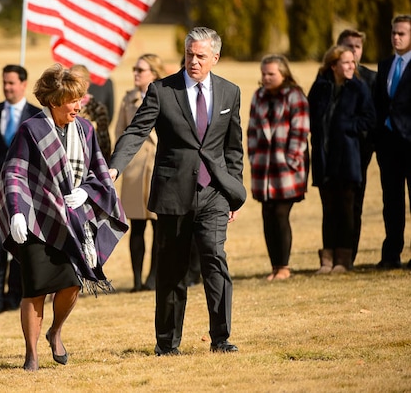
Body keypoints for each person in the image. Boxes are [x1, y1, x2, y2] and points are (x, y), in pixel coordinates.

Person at [109, 27, 246, 355]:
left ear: (215, 58)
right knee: (171, 269)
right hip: (173, 194)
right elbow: (136, 132)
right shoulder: (161, 90)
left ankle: (221, 338)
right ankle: (167, 344)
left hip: (214, 192)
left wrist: (233, 190)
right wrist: (114, 167)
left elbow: (233, 147)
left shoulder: (230, 92)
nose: (194, 62)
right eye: (189, 55)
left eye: (201, 56)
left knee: (215, 257)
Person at [0, 64, 128, 371]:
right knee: (35, 288)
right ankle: (31, 355)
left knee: (71, 283)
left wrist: (86, 191)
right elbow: (14, 172)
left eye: (80, 99)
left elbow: (99, 172)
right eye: (73, 100)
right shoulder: (32, 129)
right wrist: (16, 212)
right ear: (55, 101)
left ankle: (55, 331)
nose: (79, 106)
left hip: (71, 221)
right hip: (34, 219)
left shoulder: (86, 130)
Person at [308, 46, 375, 274]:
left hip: (347, 157)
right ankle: (327, 260)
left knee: (346, 209)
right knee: (328, 209)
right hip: (323, 158)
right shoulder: (319, 87)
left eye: (352, 62)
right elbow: (311, 116)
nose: (350, 66)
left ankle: (343, 260)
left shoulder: (359, 88)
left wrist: (348, 128)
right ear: (333, 65)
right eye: (345, 62)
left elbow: (369, 119)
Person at [0, 64, 41, 315]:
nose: (7, 87)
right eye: (4, 82)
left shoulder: (36, 116)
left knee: (21, 244)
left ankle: (15, 297)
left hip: (25, 192)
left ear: (24, 84)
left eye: (12, 83)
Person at [247, 55, 310, 281]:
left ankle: (284, 266)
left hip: (287, 171)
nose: (266, 77)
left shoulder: (295, 96)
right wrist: (253, 157)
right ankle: (274, 266)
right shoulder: (258, 96)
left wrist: (291, 160)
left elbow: (300, 131)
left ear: (283, 74)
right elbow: (252, 130)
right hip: (263, 169)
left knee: (281, 214)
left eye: (271, 74)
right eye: (263, 73)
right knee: (267, 215)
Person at [114, 54, 167, 292]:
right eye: (135, 69)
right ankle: (136, 280)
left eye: (141, 69)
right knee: (136, 227)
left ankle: (154, 278)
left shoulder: (167, 96)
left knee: (158, 227)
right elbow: (120, 134)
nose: (136, 73)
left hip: (159, 169)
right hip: (135, 172)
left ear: (154, 74)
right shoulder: (128, 99)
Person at [372, 15, 411, 269]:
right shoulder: (385, 64)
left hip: (410, 142)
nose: (396, 37)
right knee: (392, 201)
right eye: (394, 33)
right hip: (388, 145)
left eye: (402, 33)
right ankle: (391, 254)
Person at [336, 30, 377, 264]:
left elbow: (373, 117)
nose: (353, 51)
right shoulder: (327, 78)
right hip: (334, 152)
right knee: (333, 205)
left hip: (360, 151)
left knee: (355, 204)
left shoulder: (371, 79)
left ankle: (349, 255)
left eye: (357, 47)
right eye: (348, 46)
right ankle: (333, 254)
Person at [70, 64, 112, 162]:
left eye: (77, 79)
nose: (73, 83)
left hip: (89, 163)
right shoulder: (62, 107)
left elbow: (104, 144)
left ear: (87, 83)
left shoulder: (97, 109)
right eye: (69, 79)